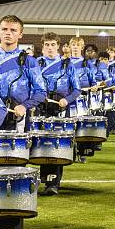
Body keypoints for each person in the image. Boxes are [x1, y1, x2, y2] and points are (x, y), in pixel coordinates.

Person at [0, 15, 46, 229]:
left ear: (20, 34)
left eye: (13, 30)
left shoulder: (29, 62)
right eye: (4, 29)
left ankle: (9, 227)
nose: (8, 33)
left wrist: (25, 106)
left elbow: (41, 92)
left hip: (17, 119)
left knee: (11, 174)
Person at [36, 32, 81, 196]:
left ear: (59, 47)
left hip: (60, 108)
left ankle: (53, 183)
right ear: (42, 47)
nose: (50, 48)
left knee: (55, 146)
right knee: (42, 144)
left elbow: (77, 89)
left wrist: (67, 100)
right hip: (41, 108)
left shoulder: (68, 65)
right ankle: (45, 179)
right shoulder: (36, 64)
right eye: (47, 45)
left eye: (53, 44)